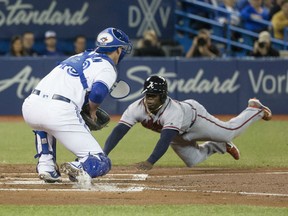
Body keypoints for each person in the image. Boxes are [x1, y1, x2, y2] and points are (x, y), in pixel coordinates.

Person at [22, 27, 132, 183]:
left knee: (43, 124)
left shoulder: (80, 55)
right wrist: (92, 109)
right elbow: (98, 93)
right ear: (119, 50)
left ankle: (46, 166)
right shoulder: (107, 67)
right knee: (101, 161)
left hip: (30, 106)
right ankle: (78, 166)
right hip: (58, 111)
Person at [103, 75, 272, 171]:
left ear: (162, 96)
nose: (149, 100)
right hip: (177, 133)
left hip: (194, 119)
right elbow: (119, 131)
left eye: (153, 96)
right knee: (193, 161)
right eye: (147, 95)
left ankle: (254, 109)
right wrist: (103, 154)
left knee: (229, 130)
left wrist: (150, 161)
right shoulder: (136, 108)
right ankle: (219, 146)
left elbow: (165, 138)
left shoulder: (172, 111)